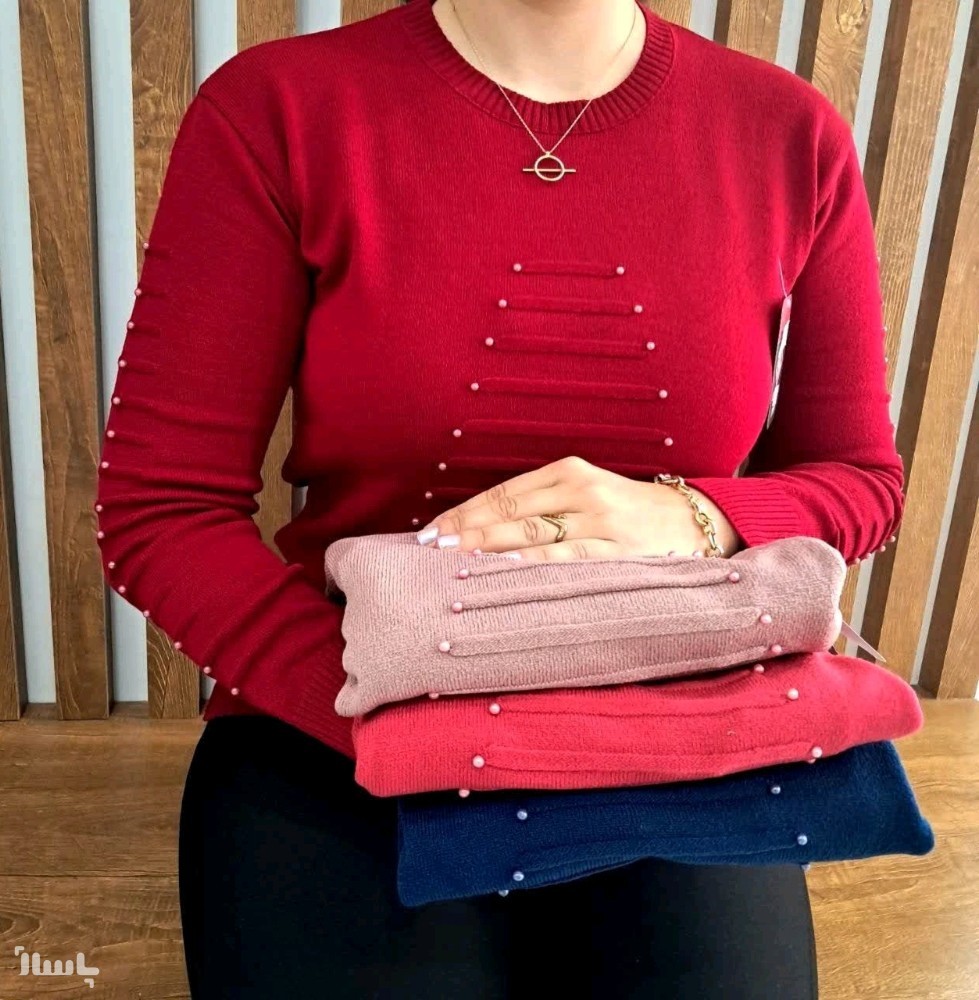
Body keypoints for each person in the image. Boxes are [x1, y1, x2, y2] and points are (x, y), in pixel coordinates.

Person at [94, 0, 903, 996]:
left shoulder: (786, 134)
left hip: (676, 719)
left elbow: (859, 478)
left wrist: (694, 514)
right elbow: (159, 509)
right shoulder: (279, 111)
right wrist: (377, 708)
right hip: (342, 710)